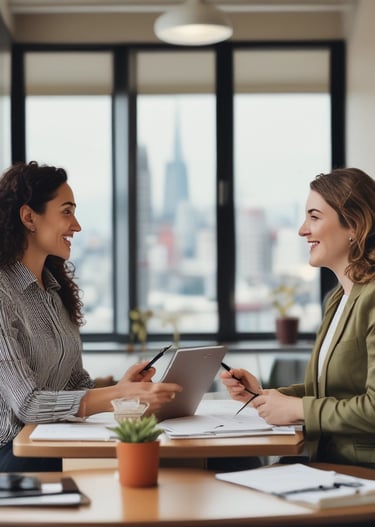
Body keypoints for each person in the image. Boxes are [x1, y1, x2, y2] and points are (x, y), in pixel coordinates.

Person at [0, 161, 182, 473]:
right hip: (14, 453)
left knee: (166, 461)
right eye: (66, 212)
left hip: (52, 441)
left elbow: (75, 382)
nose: (77, 226)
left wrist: (123, 388)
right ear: (29, 217)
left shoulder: (55, 292)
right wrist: (116, 396)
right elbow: (28, 405)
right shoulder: (3, 293)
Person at [221, 167, 375, 468]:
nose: (302, 230)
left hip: (361, 471)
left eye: (314, 217)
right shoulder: (338, 299)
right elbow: (333, 391)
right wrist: (264, 395)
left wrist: (297, 408)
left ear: (354, 226)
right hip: (327, 460)